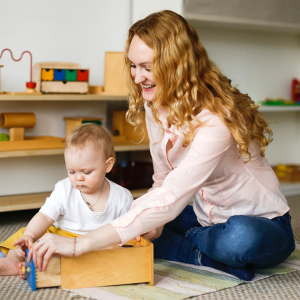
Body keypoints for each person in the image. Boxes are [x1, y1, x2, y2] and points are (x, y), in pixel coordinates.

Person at [27, 10, 295, 281]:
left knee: (238, 237)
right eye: (133, 65)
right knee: (133, 214)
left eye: (147, 67)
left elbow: (172, 195)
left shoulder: (216, 120)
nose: (137, 77)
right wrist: (151, 221)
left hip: (263, 224)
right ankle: (201, 255)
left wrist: (79, 244)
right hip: (207, 220)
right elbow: (163, 180)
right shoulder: (154, 105)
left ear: (177, 65)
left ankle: (192, 246)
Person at [0, 123, 133, 276]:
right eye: (72, 171)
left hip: (98, 243)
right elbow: (44, 216)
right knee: (28, 235)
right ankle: (14, 260)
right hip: (61, 237)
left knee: (117, 249)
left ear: (108, 165)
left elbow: (129, 227)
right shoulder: (64, 189)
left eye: (87, 172)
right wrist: (29, 235)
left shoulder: (122, 197)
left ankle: (38, 264)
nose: (78, 178)